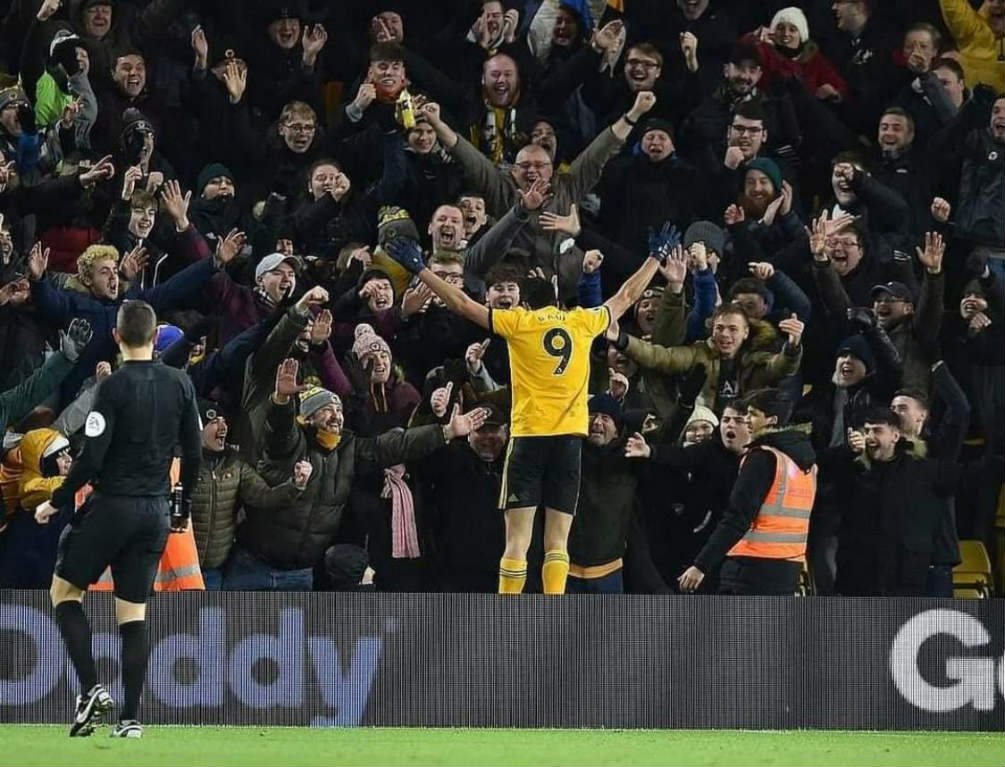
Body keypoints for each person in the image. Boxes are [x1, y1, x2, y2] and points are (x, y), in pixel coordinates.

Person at [385, 228, 667, 595]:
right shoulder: (582, 323)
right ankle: (552, 611)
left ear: (527, 306)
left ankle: (508, 616)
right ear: (557, 303)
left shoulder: (519, 323)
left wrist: (422, 270)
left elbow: (463, 305)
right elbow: (627, 295)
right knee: (557, 544)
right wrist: (656, 258)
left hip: (530, 439)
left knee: (516, 541)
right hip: (568, 442)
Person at [33, 300, 201, 738]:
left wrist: (58, 500)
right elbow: (195, 452)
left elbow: (91, 458)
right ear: (153, 337)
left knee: (64, 591)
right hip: (156, 512)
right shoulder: (181, 384)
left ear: (117, 337)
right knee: (133, 613)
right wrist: (181, 502)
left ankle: (90, 689)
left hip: (114, 506)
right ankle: (130, 720)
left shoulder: (114, 387)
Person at [679, 388, 818, 596]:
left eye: (753, 414)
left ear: (772, 420)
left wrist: (701, 566)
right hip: (788, 569)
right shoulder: (805, 462)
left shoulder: (762, 458)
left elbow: (737, 517)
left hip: (750, 570)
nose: (747, 420)